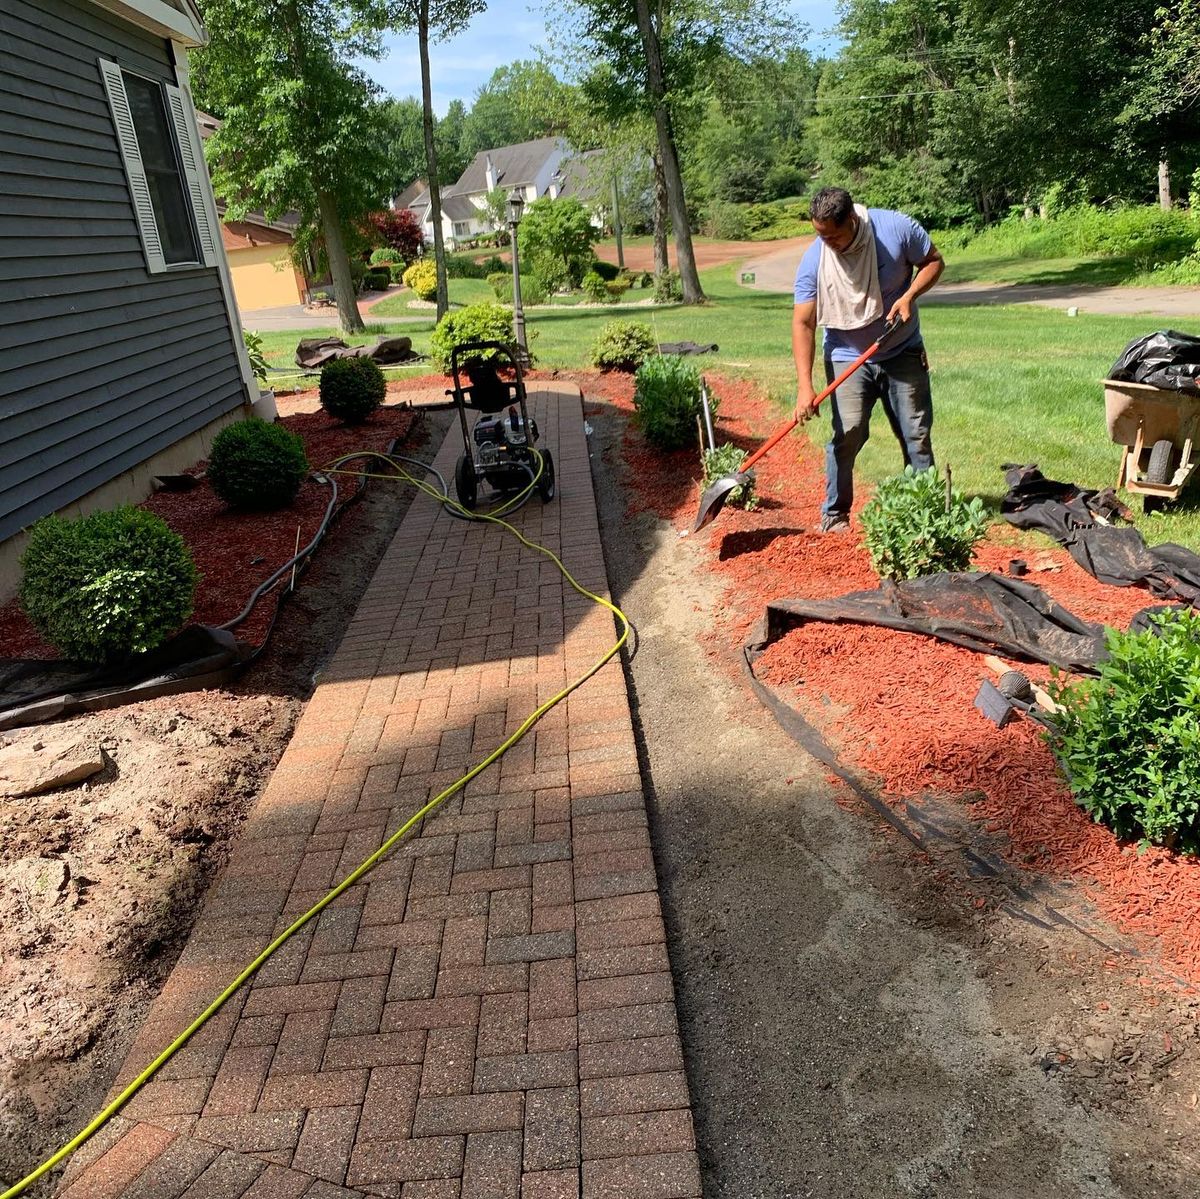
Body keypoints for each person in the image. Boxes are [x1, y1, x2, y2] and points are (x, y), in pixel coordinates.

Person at [793, 187, 945, 532]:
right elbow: (803, 322)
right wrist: (805, 386)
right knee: (848, 434)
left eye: (833, 235)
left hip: (901, 350)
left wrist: (909, 296)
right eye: (819, 235)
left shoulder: (895, 229)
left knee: (915, 434)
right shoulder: (815, 259)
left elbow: (934, 261)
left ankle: (926, 515)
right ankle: (834, 516)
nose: (826, 242)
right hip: (847, 355)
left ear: (852, 219)